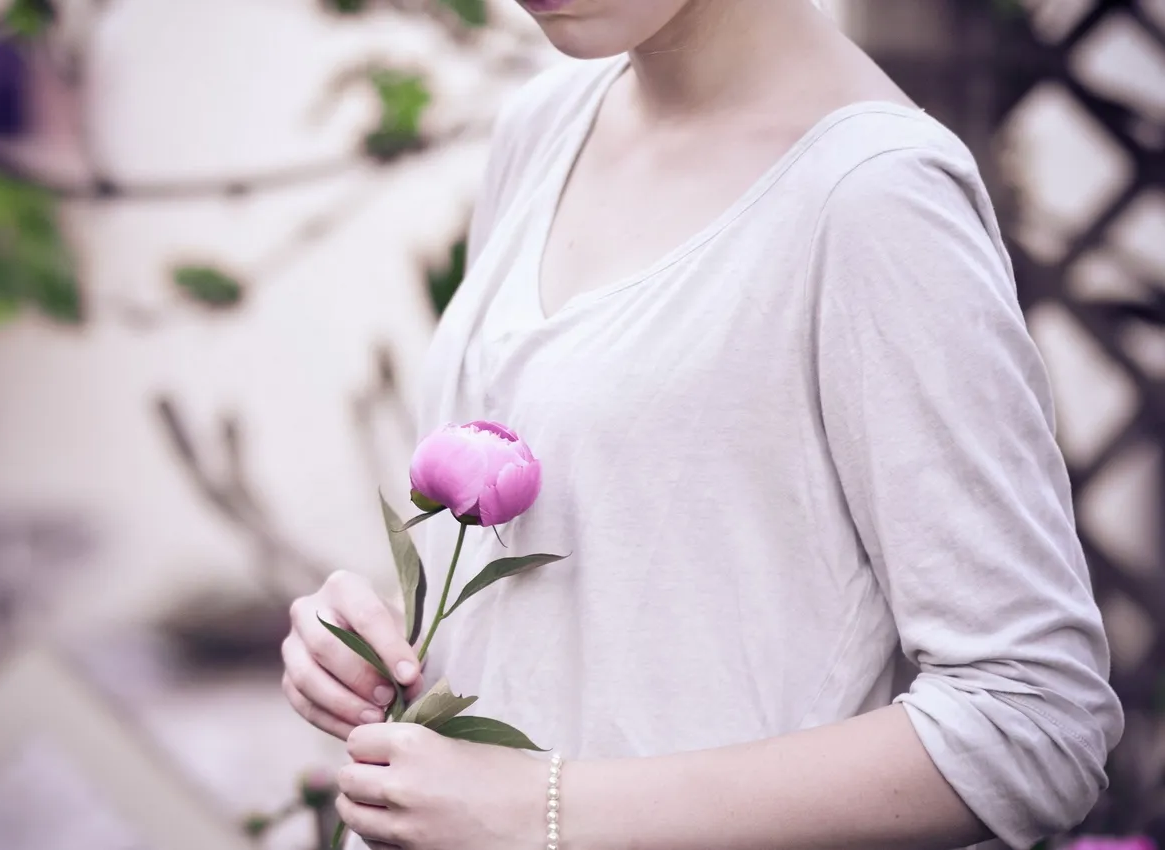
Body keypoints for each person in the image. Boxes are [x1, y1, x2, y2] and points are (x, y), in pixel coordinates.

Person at [281, 1, 1125, 848]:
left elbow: (1032, 720)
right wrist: (377, 639)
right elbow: (640, 563)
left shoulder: (874, 199)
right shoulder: (547, 125)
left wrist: (546, 811)